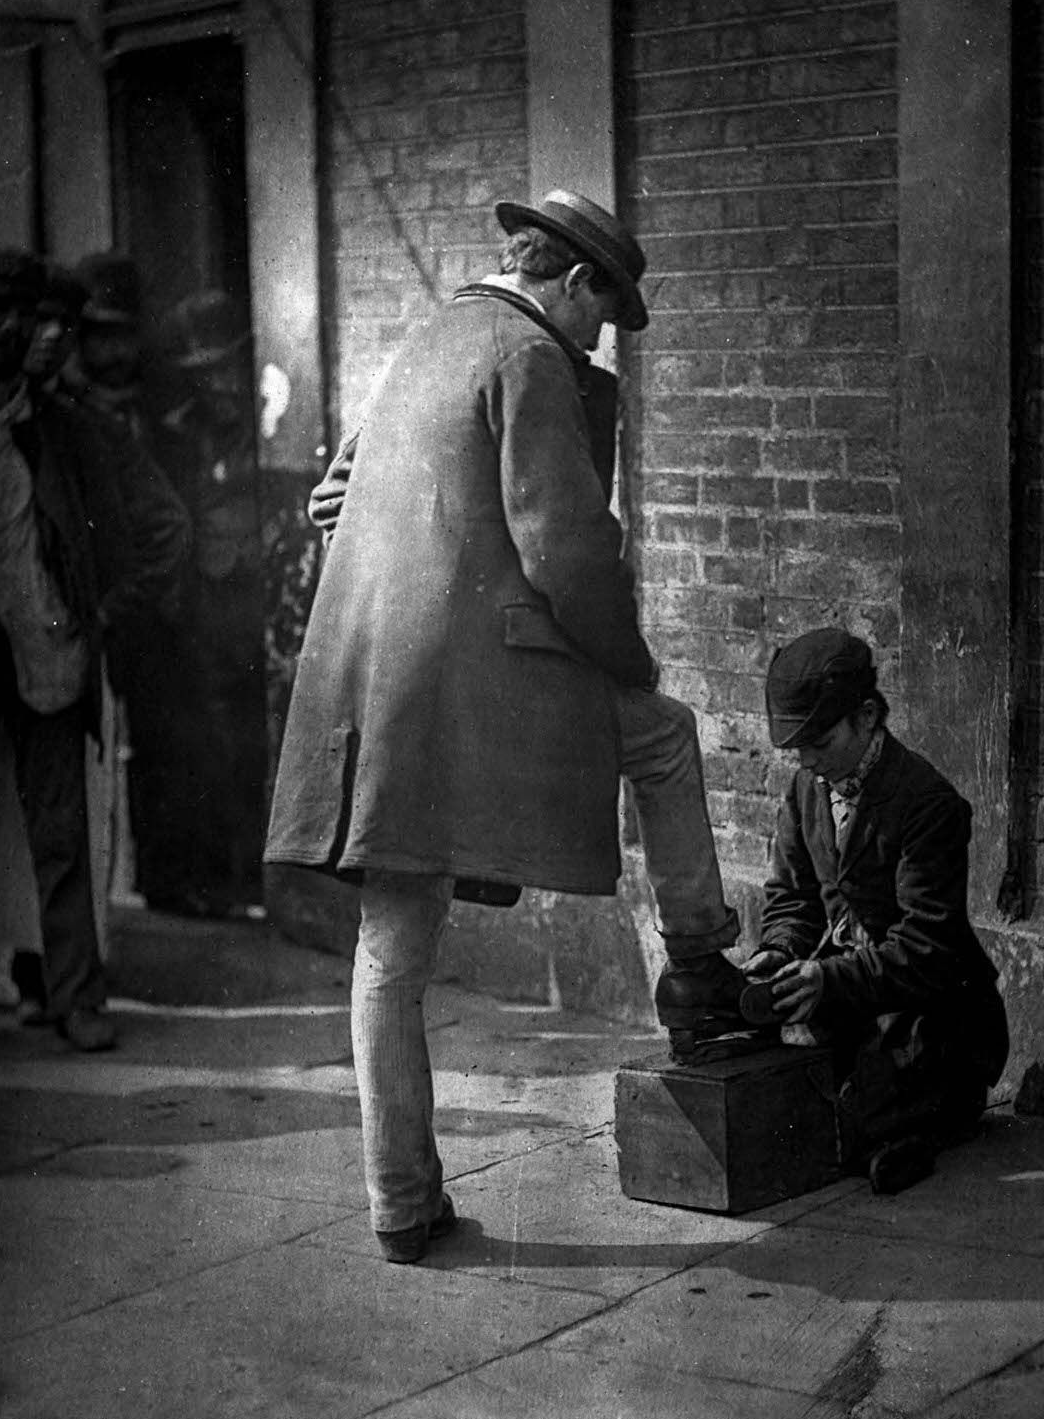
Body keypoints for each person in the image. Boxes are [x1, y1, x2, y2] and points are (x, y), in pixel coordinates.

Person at [265, 190, 754, 1263]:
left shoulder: (429, 339)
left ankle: (402, 1204)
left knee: (391, 946)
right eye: (602, 315)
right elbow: (566, 553)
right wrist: (628, 656)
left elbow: (332, 498)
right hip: (481, 686)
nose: (597, 339)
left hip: (377, 686)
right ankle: (701, 967)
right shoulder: (530, 357)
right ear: (571, 282)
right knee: (664, 732)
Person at [738, 628, 1010, 1193]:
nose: (808, 760)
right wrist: (778, 951)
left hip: (934, 1017)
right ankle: (884, 1130)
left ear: (866, 718)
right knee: (779, 1101)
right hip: (855, 1006)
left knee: (834, 1122)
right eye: (797, 748)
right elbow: (793, 899)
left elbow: (927, 950)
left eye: (820, 741)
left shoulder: (927, 805)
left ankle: (922, 1129)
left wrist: (828, 980)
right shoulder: (806, 790)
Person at [0, 248, 113, 1049]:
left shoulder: (58, 427)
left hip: (42, 645)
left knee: (60, 831)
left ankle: (76, 999)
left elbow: (118, 528)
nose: (13, 326)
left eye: (23, 311)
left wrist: (97, 611)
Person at [62, 254, 197, 916]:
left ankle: (164, 877)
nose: (111, 351)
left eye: (121, 334)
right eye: (97, 335)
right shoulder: (69, 411)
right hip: (92, 604)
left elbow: (170, 516)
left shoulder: (160, 406)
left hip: (149, 607)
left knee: (163, 740)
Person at [156, 290, 266, 916]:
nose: (219, 384)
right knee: (204, 751)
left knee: (250, 746)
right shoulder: (177, 435)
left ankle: (250, 879)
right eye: (204, 372)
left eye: (226, 367)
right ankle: (215, 880)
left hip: (250, 607)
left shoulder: (268, 420)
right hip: (197, 612)